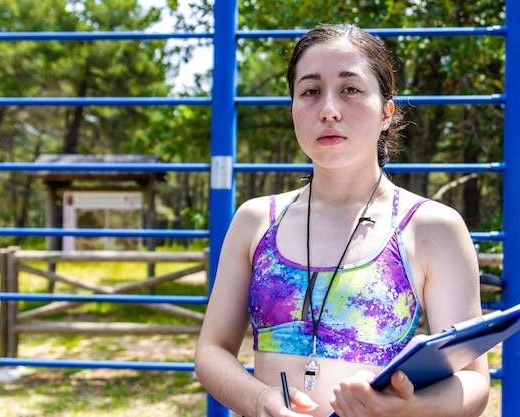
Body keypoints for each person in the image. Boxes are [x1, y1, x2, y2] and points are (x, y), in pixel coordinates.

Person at [195, 23, 490, 417]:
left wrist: (408, 408)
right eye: (310, 92)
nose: (329, 109)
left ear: (387, 111)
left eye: (350, 89)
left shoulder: (433, 228)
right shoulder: (255, 220)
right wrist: (259, 400)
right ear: (293, 109)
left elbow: (473, 380)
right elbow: (211, 351)